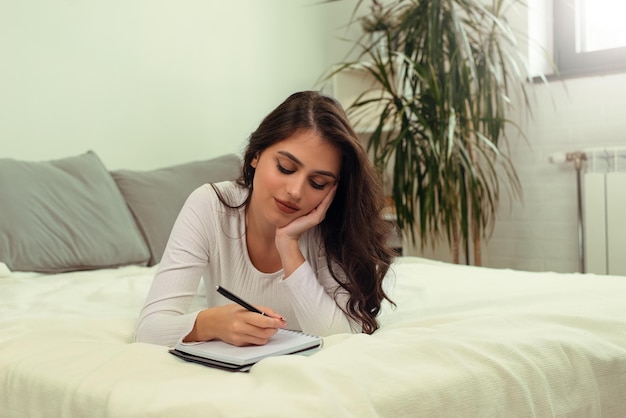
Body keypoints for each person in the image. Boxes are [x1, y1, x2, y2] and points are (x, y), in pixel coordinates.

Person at [134, 91, 395, 348]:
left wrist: (289, 245)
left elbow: (341, 339)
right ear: (255, 155)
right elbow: (149, 330)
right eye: (285, 168)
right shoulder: (211, 206)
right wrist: (209, 323)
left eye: (318, 183)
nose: (295, 191)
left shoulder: (331, 226)